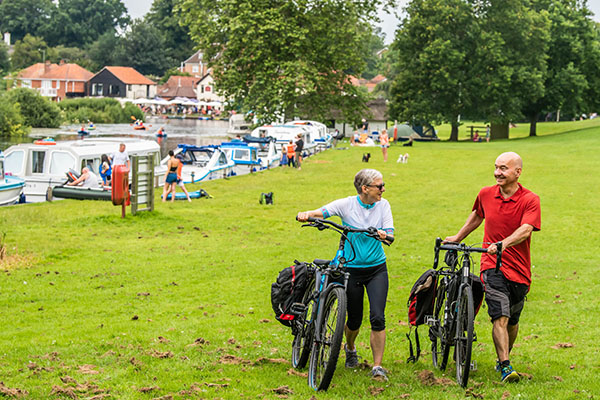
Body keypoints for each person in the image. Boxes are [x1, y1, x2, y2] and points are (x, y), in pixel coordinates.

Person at [443, 152, 541, 383]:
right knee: (501, 315)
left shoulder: (530, 199)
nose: (498, 172)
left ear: (518, 172)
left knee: (513, 320)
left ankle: (501, 359)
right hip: (491, 265)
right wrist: (457, 237)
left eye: (504, 168)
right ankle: (506, 366)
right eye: (496, 167)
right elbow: (478, 215)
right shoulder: (486, 194)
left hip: (519, 270)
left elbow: (526, 229)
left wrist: (503, 244)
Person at [297, 169, 394, 381]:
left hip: (377, 268)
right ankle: (350, 348)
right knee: (355, 319)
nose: (383, 189)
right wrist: (306, 214)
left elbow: (390, 235)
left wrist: (383, 234)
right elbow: (322, 212)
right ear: (365, 189)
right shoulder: (347, 204)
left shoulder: (383, 205)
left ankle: (377, 366)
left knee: (378, 317)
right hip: (351, 270)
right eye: (379, 186)